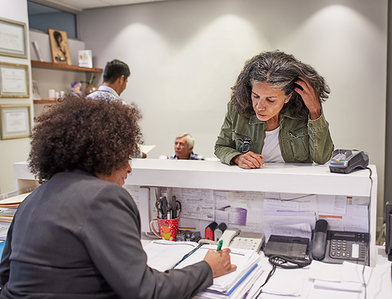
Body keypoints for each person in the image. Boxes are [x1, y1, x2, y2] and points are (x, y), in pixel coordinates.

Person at [0, 97, 236, 298]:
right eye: (125, 156)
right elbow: (146, 292)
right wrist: (207, 268)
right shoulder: (104, 197)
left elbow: (6, 275)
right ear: (105, 153)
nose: (129, 168)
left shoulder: (34, 197)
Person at [214, 50, 334, 169]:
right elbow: (221, 147)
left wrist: (315, 111)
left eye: (270, 100)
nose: (260, 106)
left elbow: (322, 158)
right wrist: (237, 158)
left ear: (288, 97)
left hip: (295, 183)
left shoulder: (306, 111)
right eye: (255, 96)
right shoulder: (237, 108)